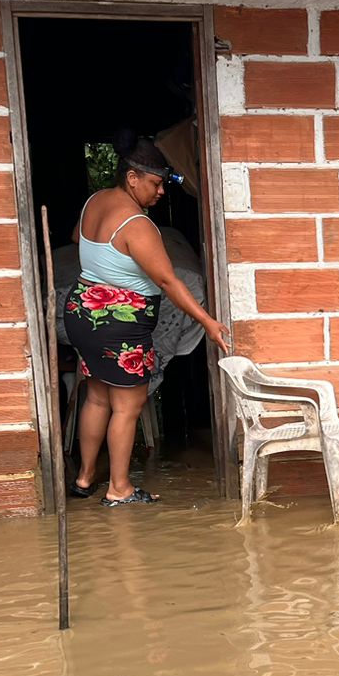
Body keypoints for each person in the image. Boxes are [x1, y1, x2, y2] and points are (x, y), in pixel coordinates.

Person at [63, 130, 229, 505]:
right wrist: (207, 321)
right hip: (119, 324)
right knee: (128, 405)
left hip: (83, 312)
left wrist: (109, 265)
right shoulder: (137, 224)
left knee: (97, 398)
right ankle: (119, 488)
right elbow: (168, 280)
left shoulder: (95, 202)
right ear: (132, 177)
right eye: (154, 183)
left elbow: (78, 237)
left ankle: (86, 478)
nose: (160, 192)